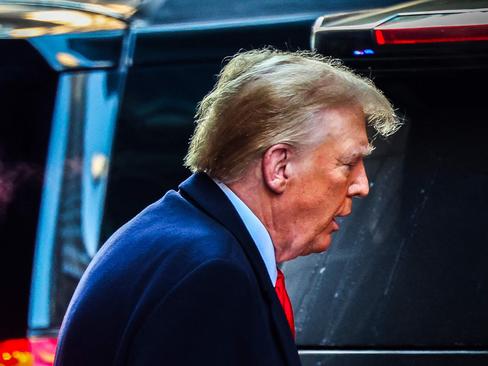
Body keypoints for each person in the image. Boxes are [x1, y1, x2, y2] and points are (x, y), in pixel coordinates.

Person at [54, 49, 400, 365]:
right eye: (348, 163)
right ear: (279, 167)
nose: (362, 185)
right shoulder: (211, 273)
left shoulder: (183, 237)